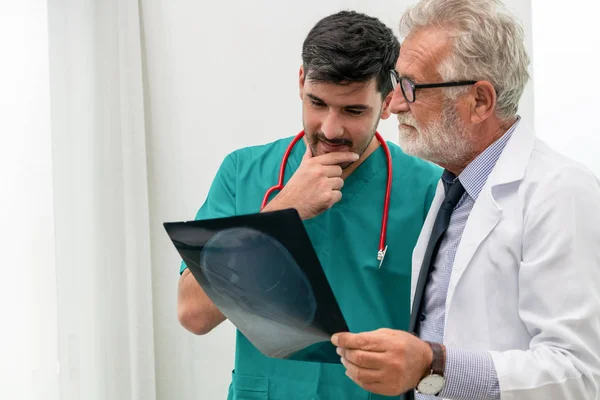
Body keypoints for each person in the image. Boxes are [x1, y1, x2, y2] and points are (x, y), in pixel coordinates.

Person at [331, 0, 600, 399]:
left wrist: (432, 363)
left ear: (480, 101)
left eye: (411, 87)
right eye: (396, 81)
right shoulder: (453, 189)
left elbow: (579, 373)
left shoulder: (560, 192)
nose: (393, 105)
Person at [176, 10, 442, 400]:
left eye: (353, 111)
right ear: (301, 82)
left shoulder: (429, 189)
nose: (331, 129)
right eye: (318, 103)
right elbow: (193, 314)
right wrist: (284, 214)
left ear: (387, 102)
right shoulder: (242, 172)